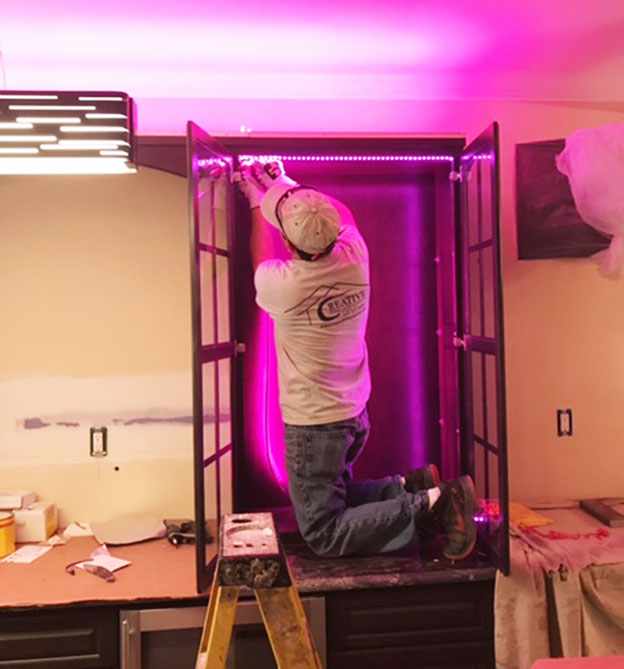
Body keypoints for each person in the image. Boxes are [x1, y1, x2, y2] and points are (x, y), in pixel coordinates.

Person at [236, 159, 476, 560]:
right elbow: (338, 212)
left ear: (290, 245)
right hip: (352, 410)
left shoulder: (285, 285)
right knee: (336, 495)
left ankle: (436, 505)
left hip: (315, 423)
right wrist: (283, 184)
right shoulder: (354, 252)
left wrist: (256, 198)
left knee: (322, 530)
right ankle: (408, 487)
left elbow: (261, 257)